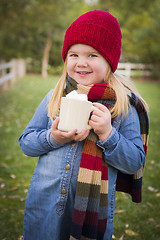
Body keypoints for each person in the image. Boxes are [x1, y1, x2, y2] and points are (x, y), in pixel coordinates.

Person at [19, 10, 149, 240]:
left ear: (109, 60)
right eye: (73, 54)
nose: (81, 63)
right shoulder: (54, 97)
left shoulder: (123, 105)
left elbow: (135, 162)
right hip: (45, 204)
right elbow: (26, 143)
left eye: (92, 55)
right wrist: (53, 138)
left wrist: (108, 134)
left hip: (91, 212)